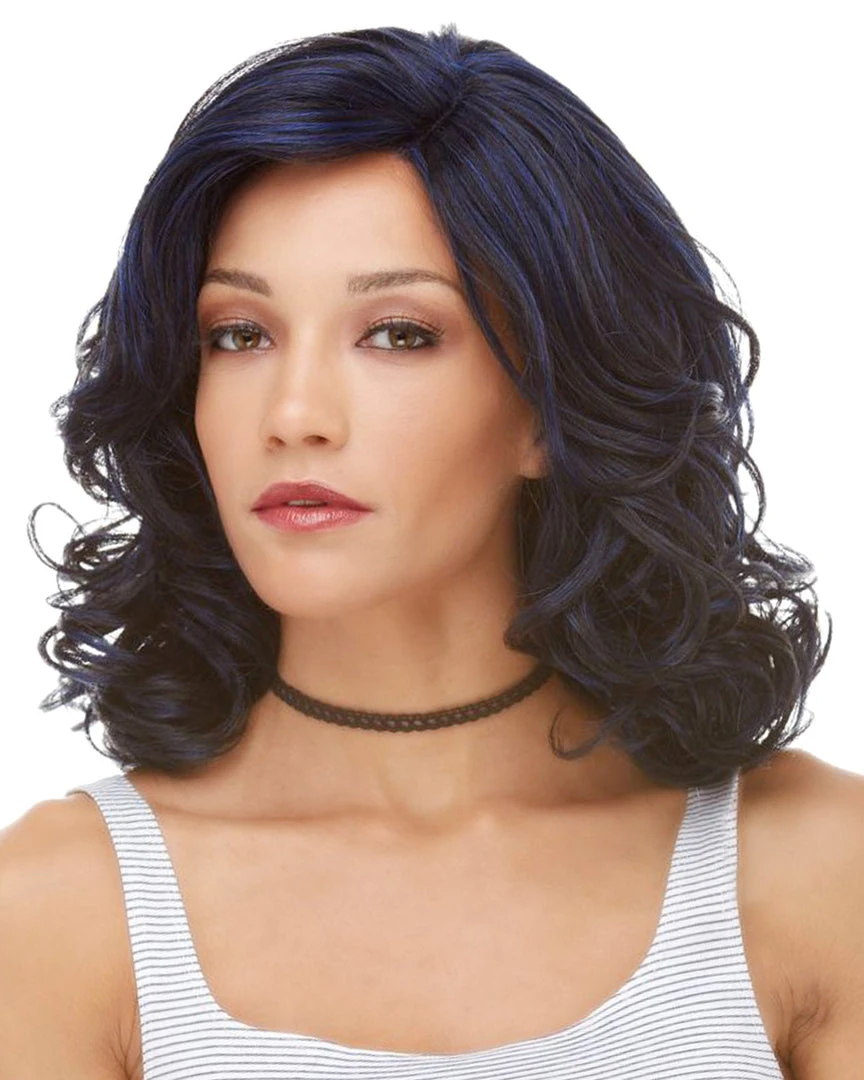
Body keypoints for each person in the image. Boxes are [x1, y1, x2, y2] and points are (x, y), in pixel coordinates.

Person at [1, 22, 861, 1080]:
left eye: (398, 333)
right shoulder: (56, 914)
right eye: (240, 334)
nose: (294, 414)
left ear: (550, 407)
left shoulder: (819, 875)